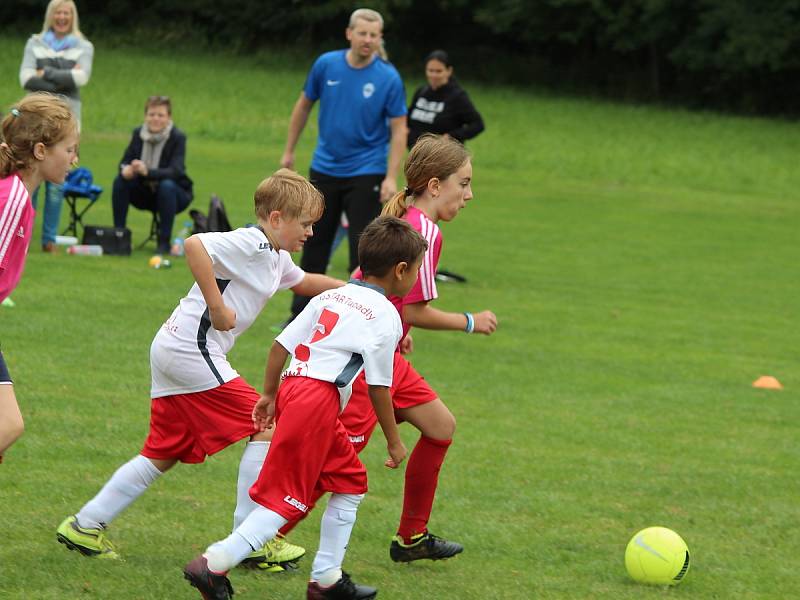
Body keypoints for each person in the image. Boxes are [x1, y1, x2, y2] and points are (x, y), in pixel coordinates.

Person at [56, 169, 343, 572]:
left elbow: (307, 281)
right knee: (265, 424)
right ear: (276, 218)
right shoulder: (255, 242)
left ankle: (84, 524)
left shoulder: (276, 257)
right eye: (306, 224)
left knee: (163, 452)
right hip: (192, 350)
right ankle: (251, 541)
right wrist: (216, 304)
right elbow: (194, 245)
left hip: (174, 348)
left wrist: (356, 294)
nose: (311, 233)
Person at [183, 215, 427, 600]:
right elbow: (381, 386)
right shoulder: (385, 314)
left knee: (350, 482)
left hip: (296, 389)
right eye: (416, 270)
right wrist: (395, 441)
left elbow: (280, 345)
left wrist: (268, 394)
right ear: (400, 271)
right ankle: (213, 562)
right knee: (288, 500)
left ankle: (326, 579)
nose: (415, 277)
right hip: (318, 400)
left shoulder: (331, 296)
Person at [280, 7, 408, 324]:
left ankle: (358, 317)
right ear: (349, 34)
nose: (367, 40)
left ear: (380, 39)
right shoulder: (326, 65)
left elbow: (399, 129)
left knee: (363, 245)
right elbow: (303, 106)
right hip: (325, 167)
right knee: (313, 241)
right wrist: (289, 152)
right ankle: (300, 316)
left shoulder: (388, 77)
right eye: (362, 33)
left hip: (367, 170)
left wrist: (392, 176)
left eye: (374, 35)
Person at [0, 93, 79, 460]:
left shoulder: (20, 200)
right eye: (70, 149)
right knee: (8, 424)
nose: (74, 159)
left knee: (8, 425)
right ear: (42, 151)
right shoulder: (12, 198)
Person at [19, 0, 94, 253]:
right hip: (35, 119)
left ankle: (49, 239)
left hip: (67, 122)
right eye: (58, 12)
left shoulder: (84, 46)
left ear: (73, 17)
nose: (62, 17)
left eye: (67, 13)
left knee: (57, 183)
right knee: (30, 176)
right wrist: (65, 75)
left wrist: (45, 71)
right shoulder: (35, 43)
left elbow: (81, 78)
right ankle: (23, 236)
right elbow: (25, 77)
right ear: (51, 15)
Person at [111, 95, 193, 255]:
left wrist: (148, 172)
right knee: (120, 181)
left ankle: (164, 242)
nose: (155, 119)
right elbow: (124, 161)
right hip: (144, 192)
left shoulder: (177, 136)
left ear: (169, 117)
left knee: (167, 185)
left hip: (175, 194)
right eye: (151, 114)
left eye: (160, 115)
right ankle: (119, 236)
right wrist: (126, 169)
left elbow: (176, 171)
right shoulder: (138, 133)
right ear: (145, 116)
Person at [407, 50, 484, 150]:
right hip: (418, 157)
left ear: (449, 71)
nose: (434, 75)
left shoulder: (457, 96)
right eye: (430, 70)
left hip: (443, 158)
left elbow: (478, 124)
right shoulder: (421, 92)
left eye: (439, 71)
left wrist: (450, 137)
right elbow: (407, 121)